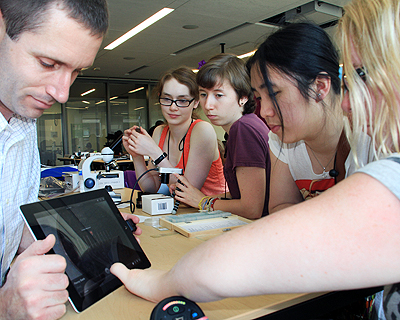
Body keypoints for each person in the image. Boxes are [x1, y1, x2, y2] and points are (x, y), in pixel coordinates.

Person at [111, 1, 400, 317]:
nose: (348, 103)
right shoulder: (281, 139)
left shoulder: (377, 155)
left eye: (362, 76)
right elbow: (280, 214)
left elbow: (245, 249)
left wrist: (161, 284)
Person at [0, 1, 140, 319]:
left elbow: (10, 228)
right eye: (48, 62)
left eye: (76, 71)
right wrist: (5, 306)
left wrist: (96, 234)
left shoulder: (22, 116)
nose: (62, 93)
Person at [246, 22, 373, 214]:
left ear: (319, 87)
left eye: (273, 94)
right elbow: (280, 208)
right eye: (258, 98)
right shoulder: (280, 140)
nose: (264, 112)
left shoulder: (371, 136)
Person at [172, 54, 270, 219]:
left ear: (243, 98)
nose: (208, 105)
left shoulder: (243, 129)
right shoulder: (246, 124)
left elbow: (252, 208)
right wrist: (196, 196)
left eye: (218, 95)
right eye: (203, 94)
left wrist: (202, 201)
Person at [123, 67, 225, 196]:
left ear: (195, 102)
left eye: (182, 100)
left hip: (214, 212)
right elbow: (151, 187)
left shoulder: (202, 130)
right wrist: (137, 155)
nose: (172, 107)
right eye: (167, 99)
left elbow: (186, 190)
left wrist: (155, 152)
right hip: (182, 212)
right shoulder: (159, 132)